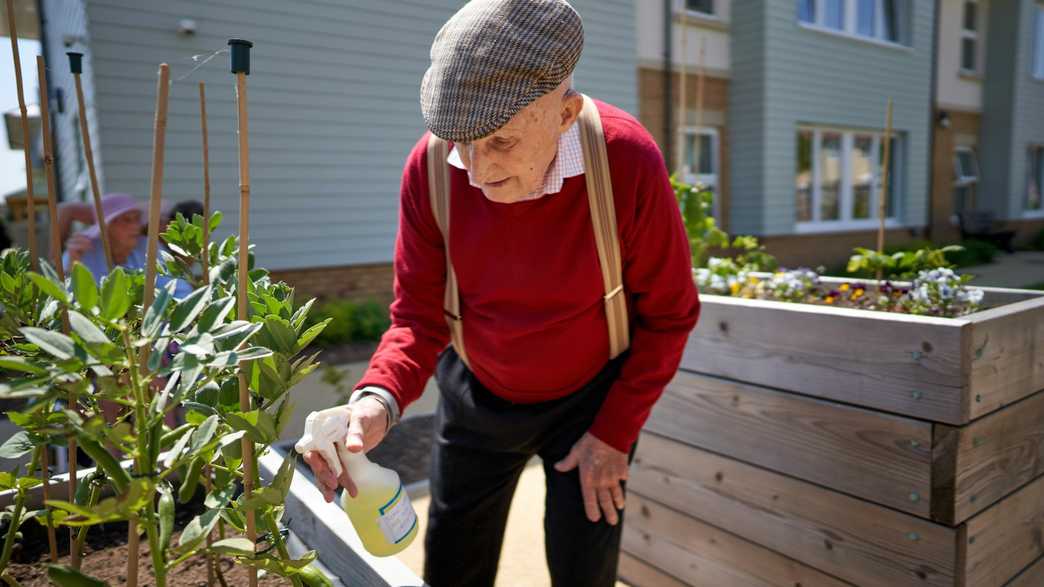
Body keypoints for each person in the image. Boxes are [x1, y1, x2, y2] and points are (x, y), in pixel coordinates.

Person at [299, 1, 700, 585]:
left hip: (592, 401)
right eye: (462, 143)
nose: (478, 173)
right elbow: (416, 317)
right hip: (477, 393)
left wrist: (614, 432)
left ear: (563, 115)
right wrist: (375, 402)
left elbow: (670, 316)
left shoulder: (624, 161)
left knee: (583, 570)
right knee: (453, 568)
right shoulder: (432, 168)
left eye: (502, 143)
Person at [61, 193, 191, 298]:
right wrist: (72, 265)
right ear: (107, 228)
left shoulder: (148, 246)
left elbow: (180, 290)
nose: (136, 226)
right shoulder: (80, 253)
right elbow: (69, 301)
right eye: (127, 220)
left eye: (137, 219)